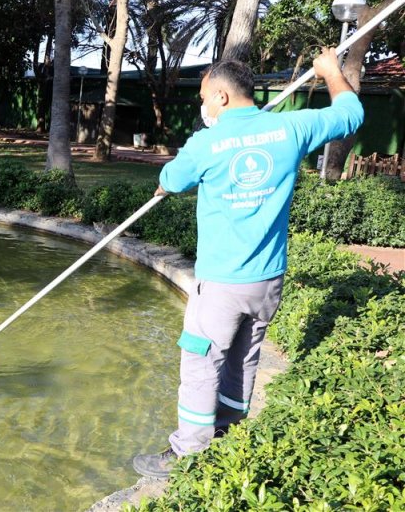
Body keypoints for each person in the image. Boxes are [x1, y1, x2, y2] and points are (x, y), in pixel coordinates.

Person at [132, 48, 364, 479]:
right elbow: (350, 114)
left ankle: (189, 455)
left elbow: (171, 180)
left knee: (201, 363)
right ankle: (229, 434)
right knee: (243, 358)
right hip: (267, 281)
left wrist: (173, 178)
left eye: (203, 97)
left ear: (220, 96)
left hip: (221, 284)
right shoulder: (291, 126)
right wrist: (332, 72)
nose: (202, 106)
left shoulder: (208, 142)